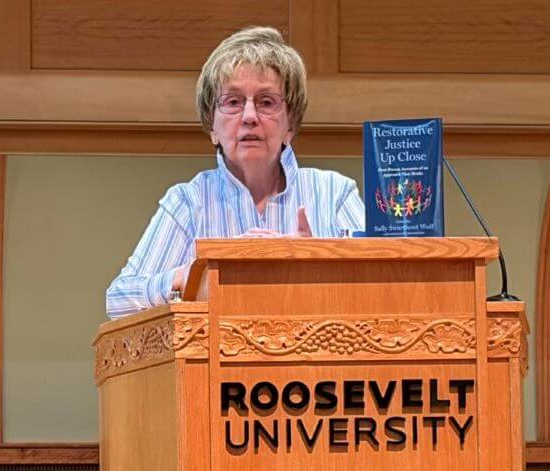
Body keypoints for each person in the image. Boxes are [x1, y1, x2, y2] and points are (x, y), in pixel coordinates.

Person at [106, 26, 364, 319]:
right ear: (212, 126)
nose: (250, 117)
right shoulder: (189, 202)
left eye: (266, 102)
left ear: (290, 124)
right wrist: (191, 274)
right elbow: (118, 301)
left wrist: (316, 263)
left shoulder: (335, 193)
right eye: (233, 102)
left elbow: (386, 288)